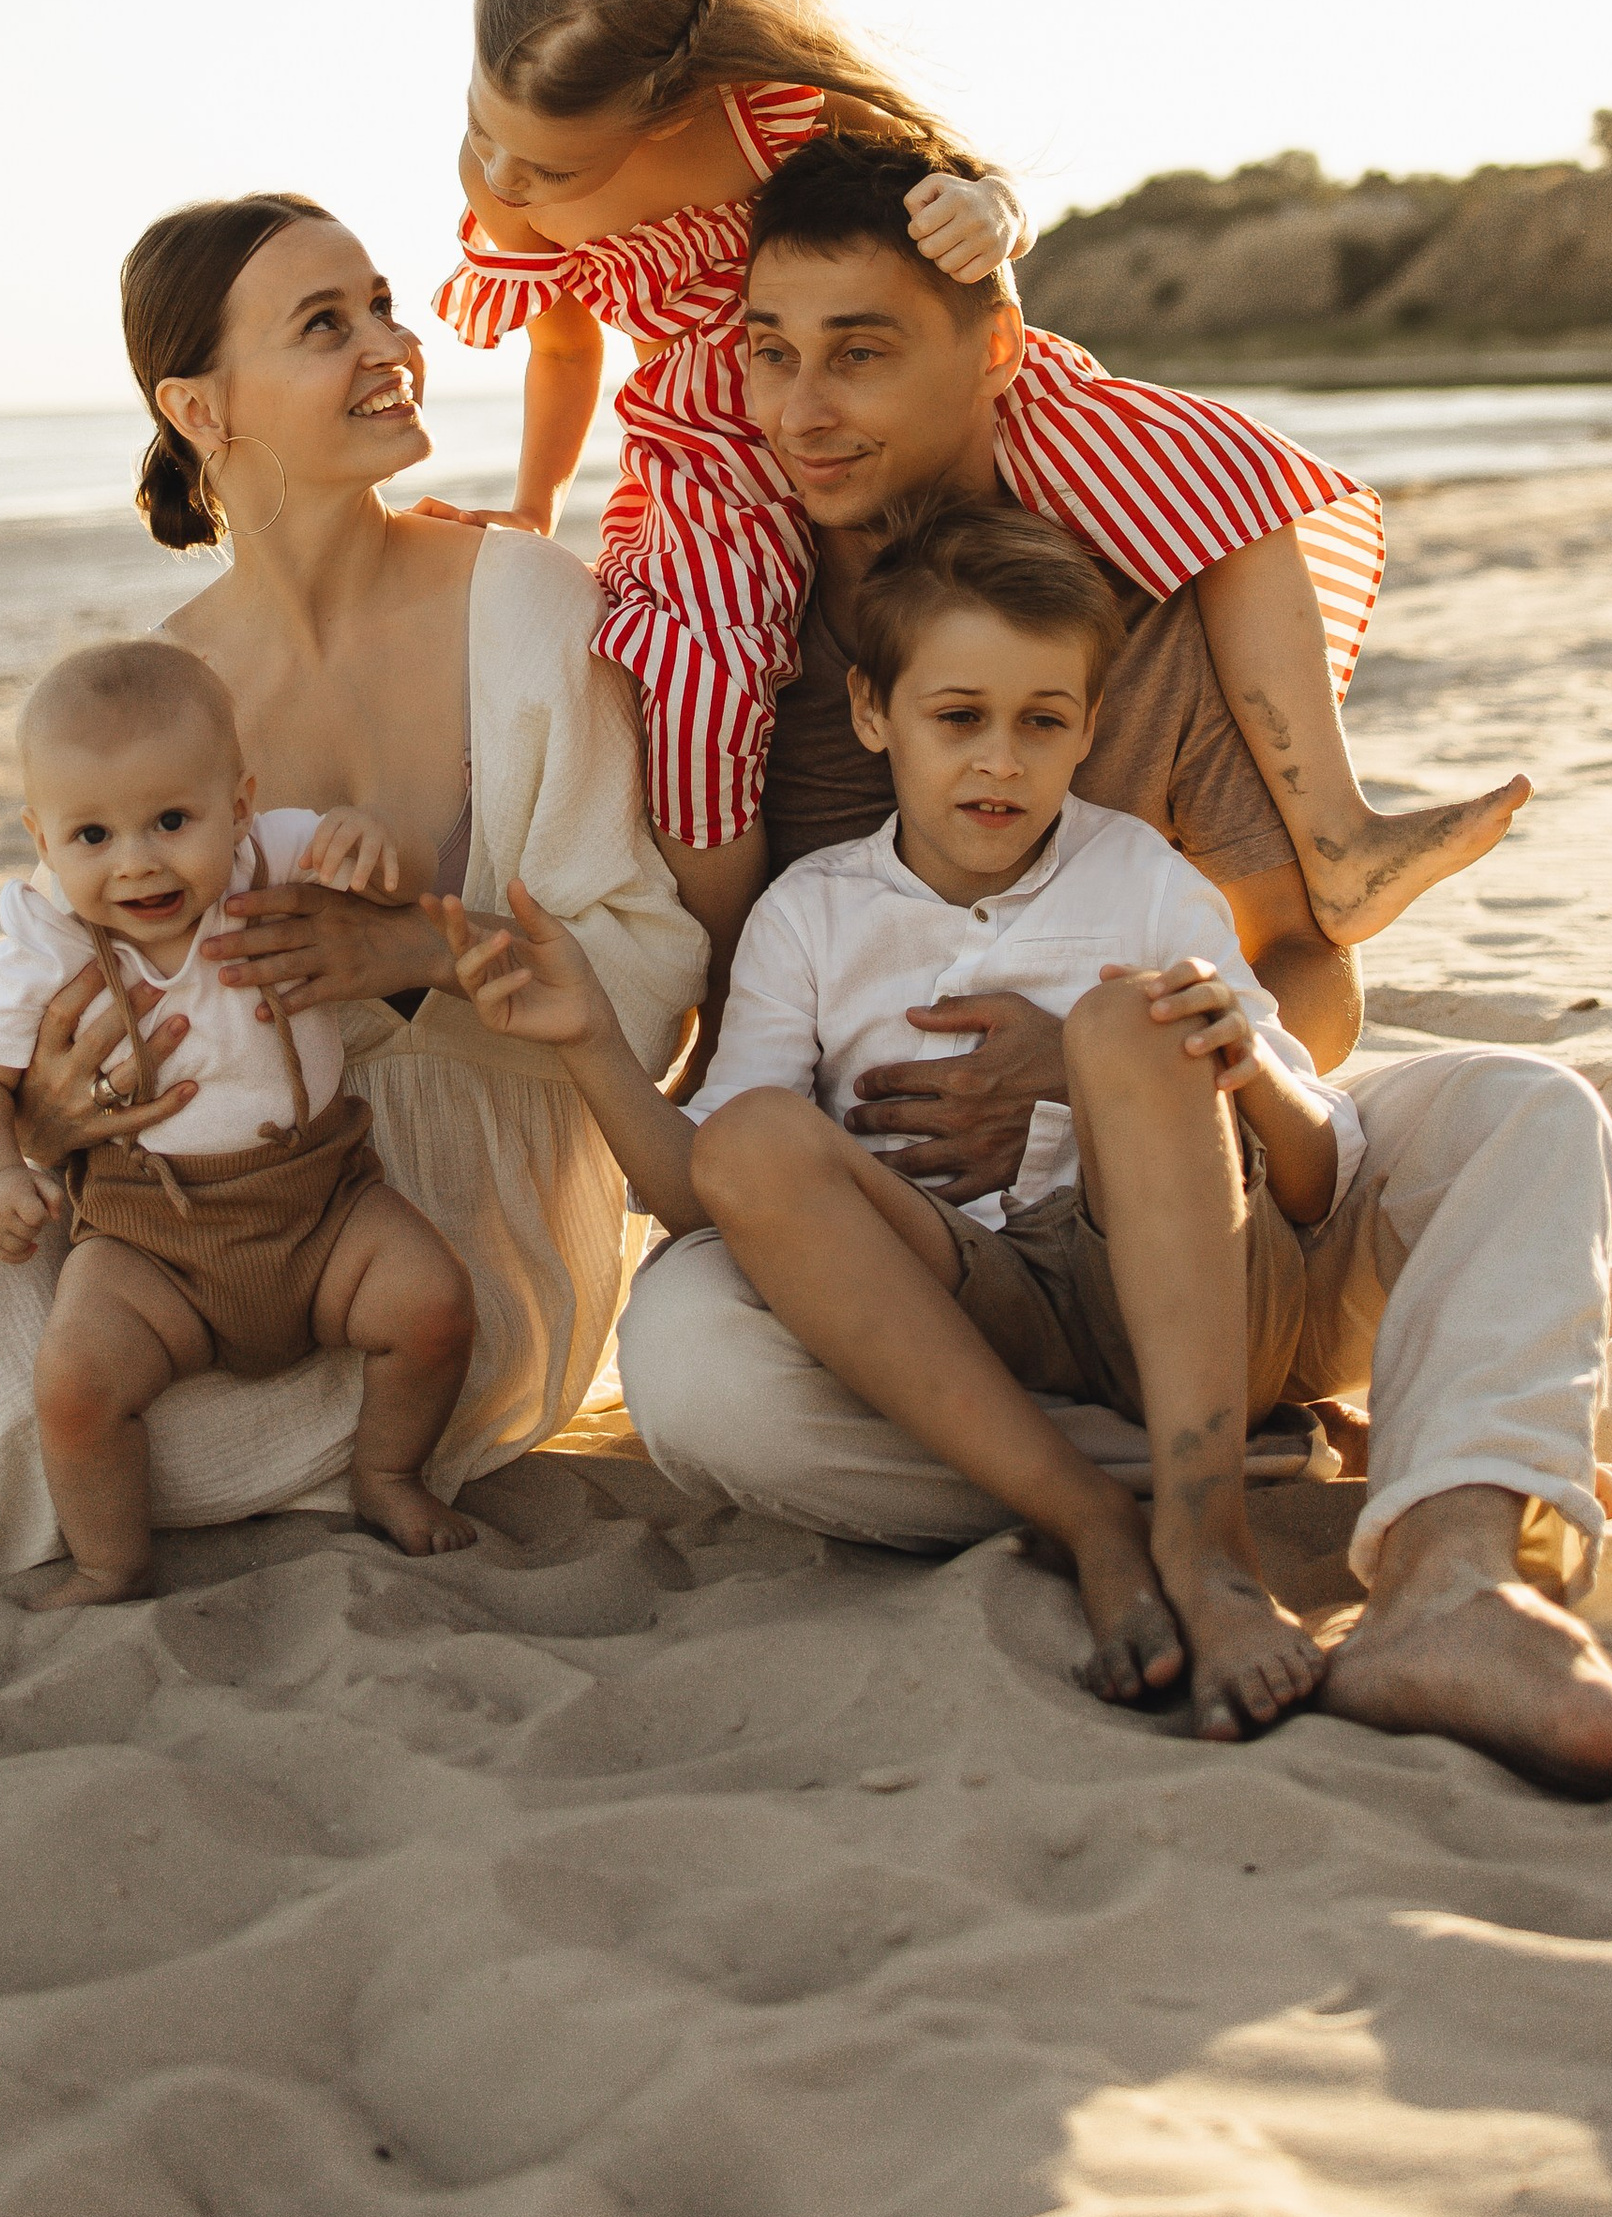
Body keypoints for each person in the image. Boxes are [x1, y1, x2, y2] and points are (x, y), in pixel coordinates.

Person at [615, 132, 1612, 1796]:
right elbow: (740, 1087)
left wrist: (1095, 1056)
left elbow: (1301, 982)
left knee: (1531, 1113)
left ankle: (1452, 1580)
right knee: (691, 1373)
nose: (803, 410)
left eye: (860, 353)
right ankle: (1220, 1471)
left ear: (994, 354)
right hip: (955, 1277)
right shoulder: (733, 647)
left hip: (1221, 1210)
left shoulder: (1142, 608)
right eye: (771, 358)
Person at [0, 194, 704, 1613]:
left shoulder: (530, 602)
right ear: (199, 407)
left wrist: (411, 952)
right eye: (326, 324)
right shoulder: (162, 686)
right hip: (171, 1206)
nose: (392, 345)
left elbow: (650, 988)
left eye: (380, 304)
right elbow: (70, 1003)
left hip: (455, 1241)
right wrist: (51, 1115)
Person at [433, 0, 1526, 993]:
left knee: (1222, 472)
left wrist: (993, 214)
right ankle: (714, 995)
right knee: (703, 681)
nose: (502, 178)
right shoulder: (507, 181)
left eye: (552, 167)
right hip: (709, 443)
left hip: (870, 369)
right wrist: (535, 503)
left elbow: (962, 183)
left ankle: (1337, 832)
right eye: (481, 125)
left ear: (670, 106)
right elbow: (561, 347)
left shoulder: (769, 112)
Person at [442, 499, 1363, 1738]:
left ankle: (1209, 1542)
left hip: (1178, 1290)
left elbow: (1315, 1180)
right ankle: (1089, 1518)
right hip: (966, 1310)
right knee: (754, 1137)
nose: (1001, 762)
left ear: (1089, 728)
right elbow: (706, 1191)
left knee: (1125, 1023)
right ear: (875, 713)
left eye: (1043, 723)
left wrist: (1241, 1068)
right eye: (958, 718)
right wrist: (591, 1043)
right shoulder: (812, 913)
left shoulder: (1142, 878)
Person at [0, 638, 474, 1601]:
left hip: (323, 1207)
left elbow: (408, 874)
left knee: (433, 1305)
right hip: (151, 1240)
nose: (137, 863)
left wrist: (377, 843)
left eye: (172, 821)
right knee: (75, 1384)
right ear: (41, 840)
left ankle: (389, 1474)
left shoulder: (273, 856)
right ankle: (110, 1558)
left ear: (239, 804)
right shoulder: (49, 939)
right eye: (91, 837)